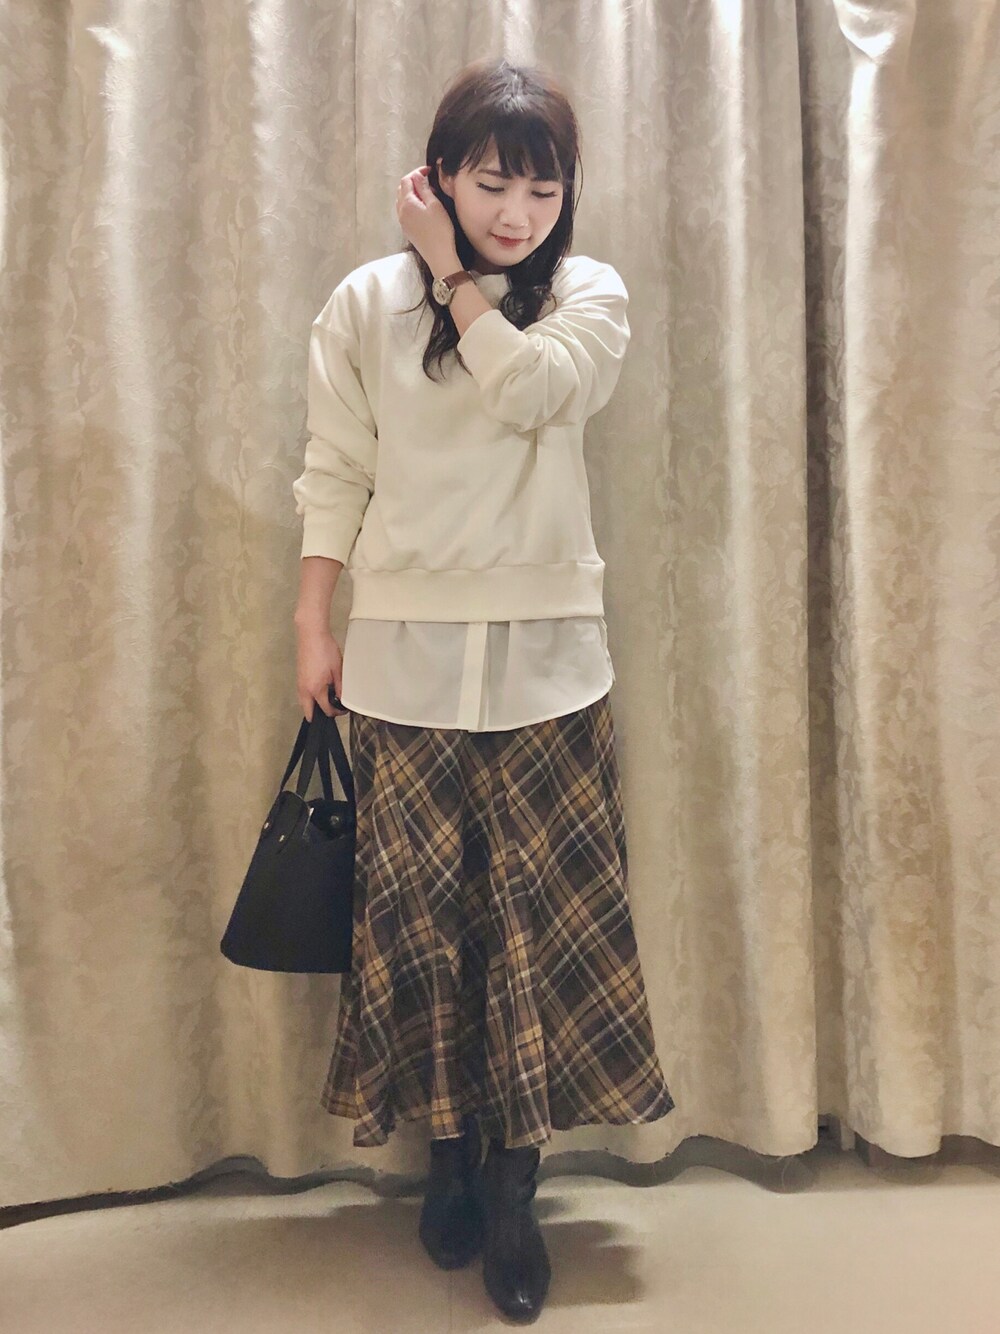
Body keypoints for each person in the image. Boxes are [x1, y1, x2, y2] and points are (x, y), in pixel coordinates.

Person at [292, 54, 675, 1324]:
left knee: (536, 931)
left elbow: (533, 393)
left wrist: (454, 279)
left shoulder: (586, 295)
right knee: (423, 929)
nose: (516, 211)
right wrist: (311, 621)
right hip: (401, 662)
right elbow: (334, 466)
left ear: (567, 194)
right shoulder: (364, 302)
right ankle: (446, 1163)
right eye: (491, 182)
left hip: (550, 669)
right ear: (440, 175)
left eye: (540, 188)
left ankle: (517, 1188)